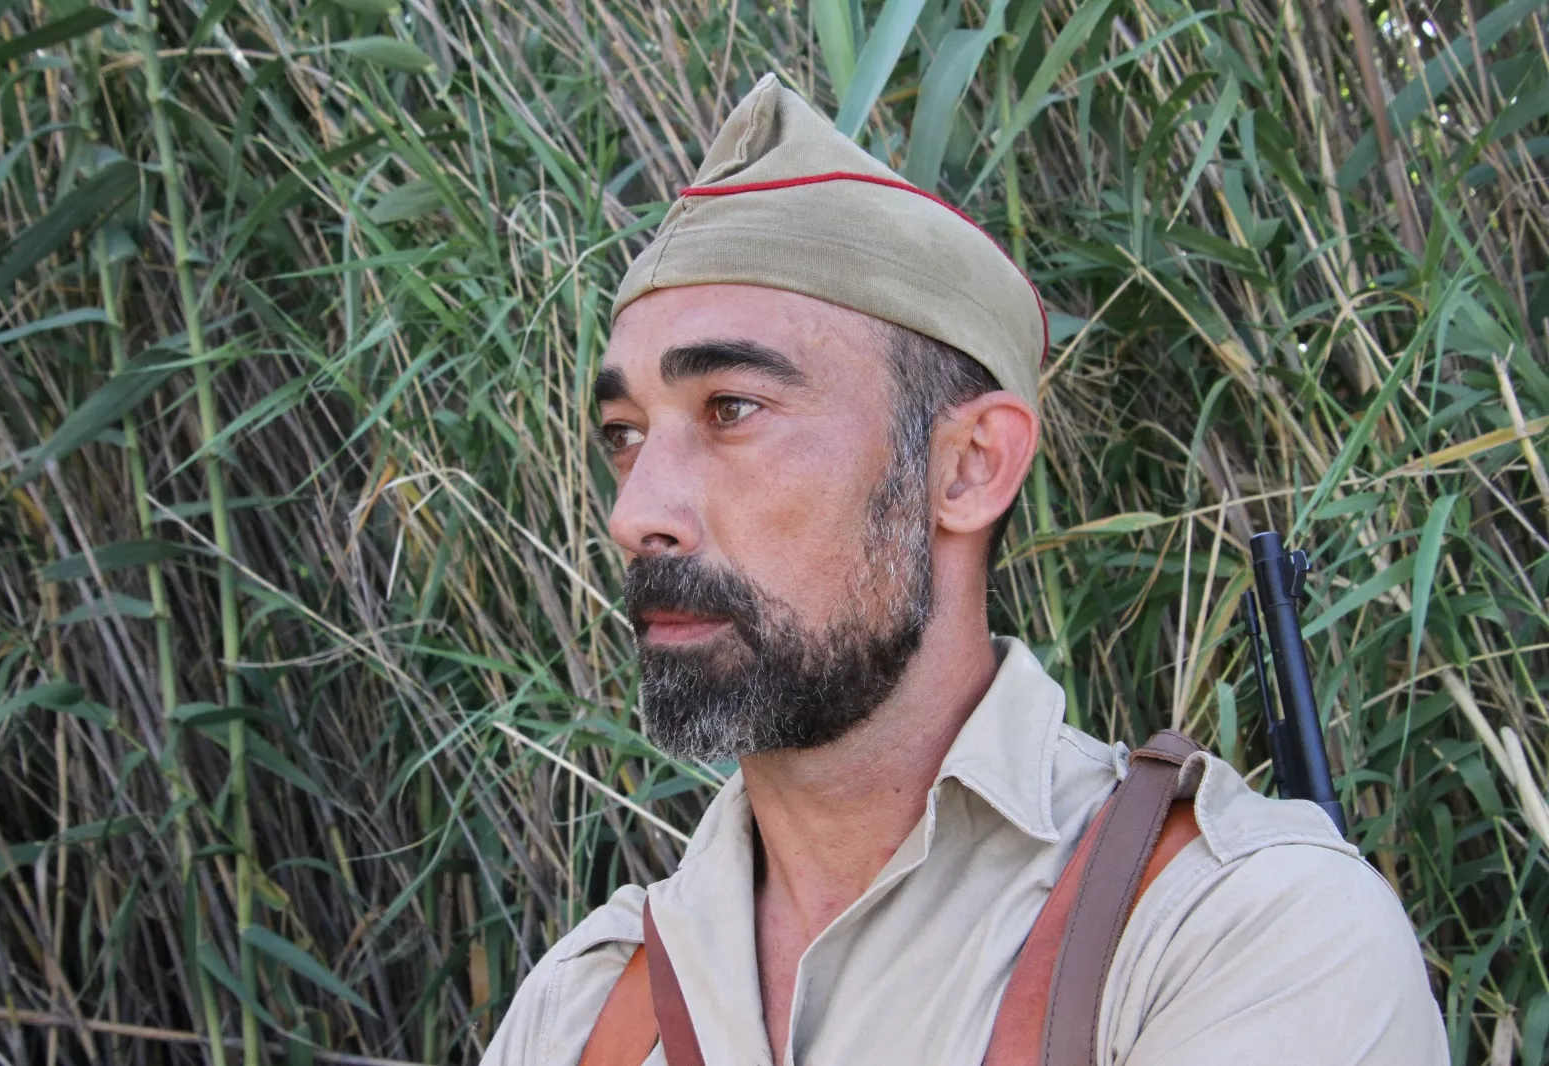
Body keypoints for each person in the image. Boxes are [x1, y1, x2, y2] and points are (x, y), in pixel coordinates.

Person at [480, 73, 1444, 1066]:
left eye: (731, 409)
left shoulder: (1234, 935)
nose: (634, 512)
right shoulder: (585, 1005)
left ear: (969, 466)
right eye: (624, 433)